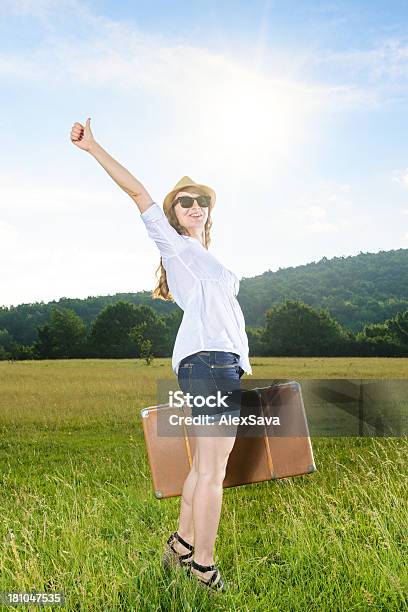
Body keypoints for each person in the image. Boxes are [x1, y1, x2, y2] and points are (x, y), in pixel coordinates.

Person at [70, 118, 252, 592]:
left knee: (202, 467)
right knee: (214, 470)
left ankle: (181, 546)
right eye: (185, 201)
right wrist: (94, 148)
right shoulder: (175, 246)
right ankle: (204, 568)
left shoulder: (200, 254)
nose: (195, 206)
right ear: (174, 213)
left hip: (212, 363)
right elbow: (139, 193)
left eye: (202, 201)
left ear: (211, 212)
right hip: (210, 363)